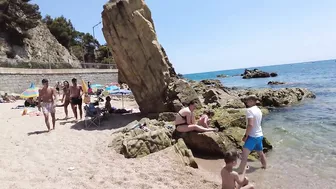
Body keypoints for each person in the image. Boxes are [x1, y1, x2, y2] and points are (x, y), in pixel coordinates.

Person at [237, 95, 267, 174]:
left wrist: (246, 136)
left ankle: (240, 172)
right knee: (261, 153)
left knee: (244, 155)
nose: (246, 102)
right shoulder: (259, 110)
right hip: (259, 135)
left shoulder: (249, 110)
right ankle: (264, 167)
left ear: (252, 101)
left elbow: (250, 125)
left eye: (248, 100)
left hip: (252, 136)